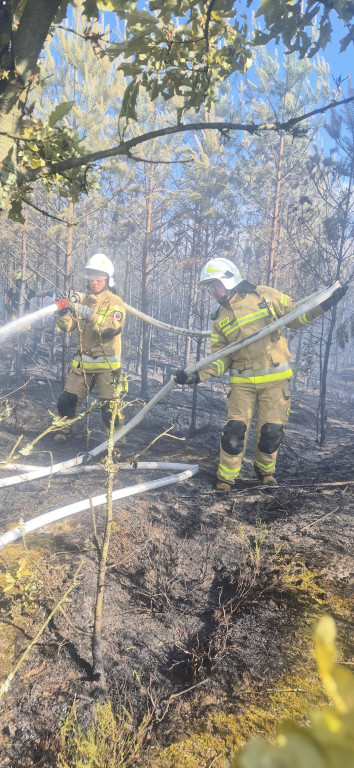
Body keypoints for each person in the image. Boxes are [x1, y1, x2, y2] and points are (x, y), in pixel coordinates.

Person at [174, 258, 347, 491]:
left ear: (228, 279)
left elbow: (296, 317)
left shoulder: (264, 296)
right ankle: (226, 478)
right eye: (209, 288)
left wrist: (324, 304)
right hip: (242, 385)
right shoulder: (220, 320)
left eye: (214, 285)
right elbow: (220, 359)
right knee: (234, 431)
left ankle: (266, 472)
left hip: (275, 383)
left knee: (271, 431)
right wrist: (196, 376)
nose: (212, 292)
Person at [53, 253, 126, 445]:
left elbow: (111, 329)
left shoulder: (114, 302)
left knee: (110, 409)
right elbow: (69, 327)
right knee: (66, 401)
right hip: (83, 365)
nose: (95, 282)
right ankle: (61, 432)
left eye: (99, 278)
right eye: (92, 277)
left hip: (107, 367)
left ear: (108, 279)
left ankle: (117, 442)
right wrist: (63, 314)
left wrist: (85, 311)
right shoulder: (83, 301)